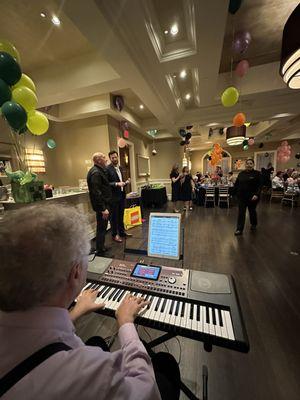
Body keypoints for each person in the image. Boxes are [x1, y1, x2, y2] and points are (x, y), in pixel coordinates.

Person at [0, 204, 181, 400]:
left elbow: (38, 335)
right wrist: (126, 323)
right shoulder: (90, 374)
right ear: (75, 272)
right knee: (165, 362)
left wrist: (74, 313)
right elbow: (146, 392)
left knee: (96, 341)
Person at [87, 152, 112, 256]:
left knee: (102, 227)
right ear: (98, 160)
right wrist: (103, 208)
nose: (106, 159)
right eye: (104, 157)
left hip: (104, 204)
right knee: (102, 228)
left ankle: (100, 247)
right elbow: (96, 192)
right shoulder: (96, 173)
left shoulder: (99, 170)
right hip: (102, 206)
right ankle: (100, 250)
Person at [107, 150, 131, 243]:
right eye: (112, 158)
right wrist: (116, 184)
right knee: (114, 217)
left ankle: (121, 232)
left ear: (117, 157)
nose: (114, 159)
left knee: (121, 215)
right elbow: (107, 183)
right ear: (110, 159)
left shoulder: (120, 168)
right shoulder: (107, 169)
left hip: (121, 195)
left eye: (115, 157)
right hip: (113, 197)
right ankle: (114, 235)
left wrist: (126, 183)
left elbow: (122, 181)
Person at [234, 158, 262, 235]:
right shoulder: (241, 174)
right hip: (242, 197)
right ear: (245, 165)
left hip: (252, 197)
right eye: (247, 163)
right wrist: (235, 194)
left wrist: (256, 194)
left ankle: (254, 224)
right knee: (241, 213)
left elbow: (260, 186)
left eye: (250, 163)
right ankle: (239, 229)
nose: (249, 165)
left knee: (252, 211)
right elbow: (237, 184)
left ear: (253, 165)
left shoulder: (257, 174)